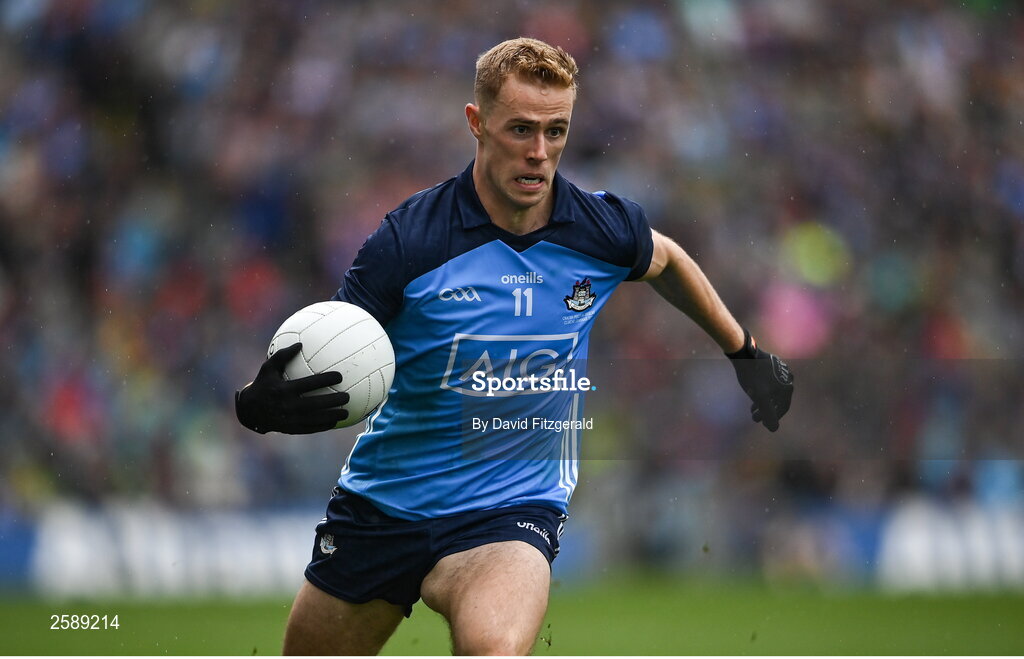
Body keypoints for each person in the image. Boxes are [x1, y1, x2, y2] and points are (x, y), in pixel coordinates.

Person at [235, 37, 793, 655]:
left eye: (557, 132)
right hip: (383, 504)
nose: (539, 153)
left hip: (509, 510)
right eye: (521, 129)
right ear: (476, 123)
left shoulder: (598, 228)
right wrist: (264, 401)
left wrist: (744, 351)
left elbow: (666, 260)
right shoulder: (408, 241)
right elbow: (336, 344)